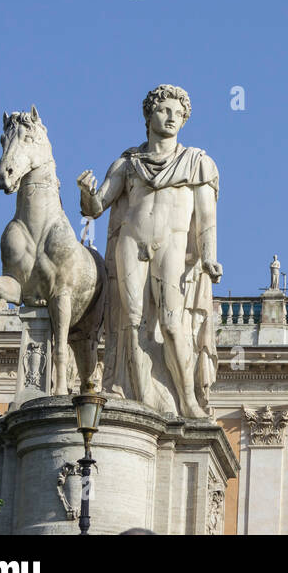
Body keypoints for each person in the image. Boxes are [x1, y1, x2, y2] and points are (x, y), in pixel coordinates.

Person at [78, 84, 221, 418]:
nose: (171, 118)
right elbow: (96, 207)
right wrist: (86, 192)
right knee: (128, 321)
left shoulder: (197, 162)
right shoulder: (128, 163)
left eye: (178, 113)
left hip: (172, 245)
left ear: (185, 119)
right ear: (149, 114)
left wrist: (210, 256)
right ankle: (136, 395)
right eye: (164, 110)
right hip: (131, 240)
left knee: (172, 324)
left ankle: (187, 400)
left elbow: (206, 219)